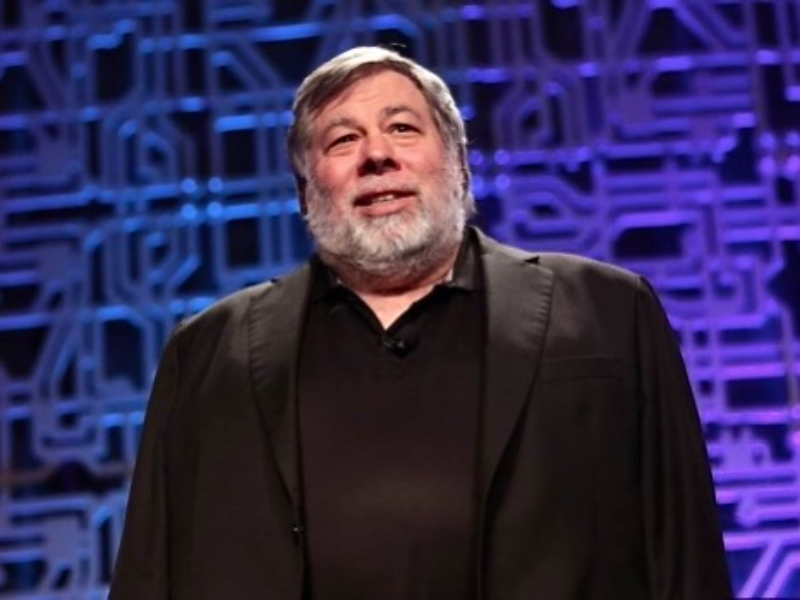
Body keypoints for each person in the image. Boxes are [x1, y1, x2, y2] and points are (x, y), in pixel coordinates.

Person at [108, 46, 732, 599]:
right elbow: (149, 575)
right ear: (305, 191)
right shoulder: (208, 353)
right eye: (342, 140)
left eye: (403, 128)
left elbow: (686, 557)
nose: (377, 155)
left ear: (460, 164)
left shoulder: (608, 311)